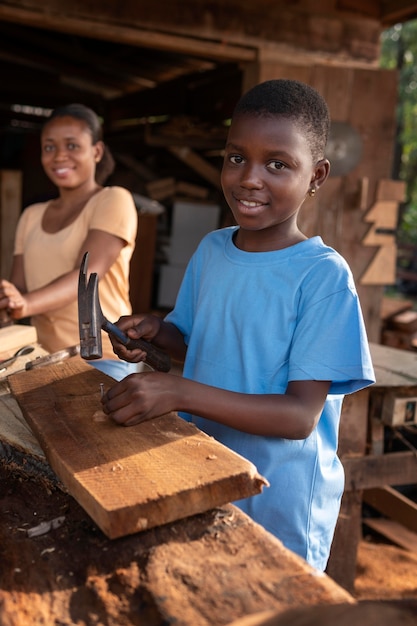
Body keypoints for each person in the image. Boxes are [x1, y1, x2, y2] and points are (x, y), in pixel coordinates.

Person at [100, 79, 375, 571]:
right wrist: (155, 333)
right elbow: (194, 343)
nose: (249, 178)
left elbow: (299, 417)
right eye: (235, 158)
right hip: (201, 471)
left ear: (316, 175)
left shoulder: (322, 276)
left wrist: (178, 393)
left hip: (277, 500)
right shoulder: (212, 250)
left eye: (277, 164)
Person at [0, 103, 138, 381]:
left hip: (105, 359)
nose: (59, 156)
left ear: (96, 151)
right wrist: (8, 302)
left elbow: (85, 276)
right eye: (49, 147)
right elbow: (19, 290)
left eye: (72, 146)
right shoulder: (31, 215)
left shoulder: (113, 199)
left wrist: (23, 304)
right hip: (42, 358)